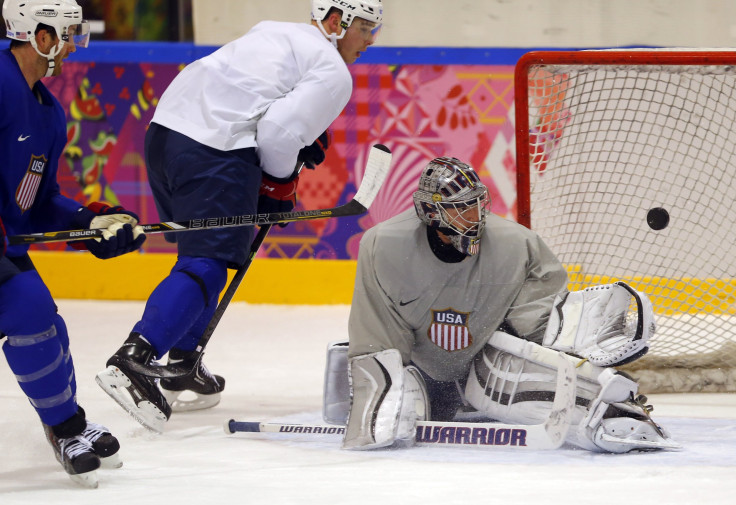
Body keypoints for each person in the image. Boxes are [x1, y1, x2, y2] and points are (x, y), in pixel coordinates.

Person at [95, 0, 383, 433]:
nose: (370, 40)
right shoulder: (332, 68)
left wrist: (287, 155)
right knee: (208, 264)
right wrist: (280, 187)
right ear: (335, 21)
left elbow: (263, 106)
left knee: (201, 258)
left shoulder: (273, 31)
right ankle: (134, 359)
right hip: (214, 150)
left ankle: (183, 357)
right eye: (364, 27)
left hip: (164, 137)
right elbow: (278, 133)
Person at [323, 156, 677, 453]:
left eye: (476, 202)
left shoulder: (516, 244)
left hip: (481, 360)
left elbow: (539, 323)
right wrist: (373, 415)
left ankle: (610, 409)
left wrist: (569, 342)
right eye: (461, 208)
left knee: (511, 374)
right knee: (407, 403)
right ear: (430, 212)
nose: (474, 214)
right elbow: (377, 330)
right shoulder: (385, 245)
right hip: (423, 369)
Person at [1, 0, 146, 487]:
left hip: (3, 252)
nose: (73, 44)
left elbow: (38, 202)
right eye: (66, 32)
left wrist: (92, 223)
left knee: (40, 320)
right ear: (39, 35)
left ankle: (66, 427)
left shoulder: (47, 112)